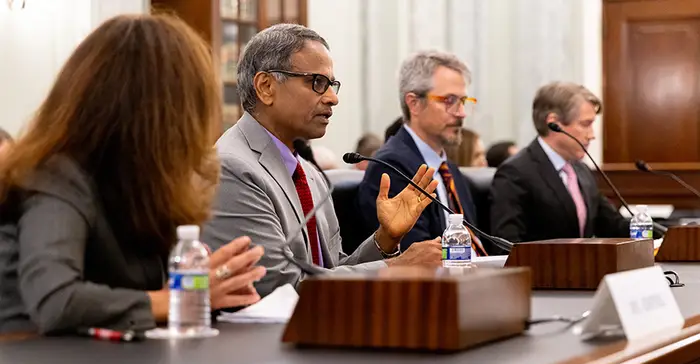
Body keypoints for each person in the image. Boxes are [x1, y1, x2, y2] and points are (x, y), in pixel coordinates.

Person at [0, 14, 266, 335]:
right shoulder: (57, 176)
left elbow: (140, 293)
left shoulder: (137, 183)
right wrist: (176, 300)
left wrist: (195, 285)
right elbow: (57, 299)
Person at [202, 24, 442, 300]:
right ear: (266, 87)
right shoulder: (231, 167)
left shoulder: (309, 174)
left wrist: (386, 240)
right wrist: (395, 267)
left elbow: (332, 271)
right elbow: (281, 287)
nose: (333, 98)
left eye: (332, 84)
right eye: (317, 82)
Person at [356, 50, 487, 254]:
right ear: (414, 103)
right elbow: (417, 257)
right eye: (449, 100)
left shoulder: (449, 169)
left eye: (463, 102)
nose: (461, 113)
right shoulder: (391, 166)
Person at [489, 82, 629, 243]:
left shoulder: (581, 170)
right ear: (553, 123)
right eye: (585, 124)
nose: (592, 135)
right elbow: (507, 245)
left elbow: (613, 226)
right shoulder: (515, 173)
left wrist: (659, 233)